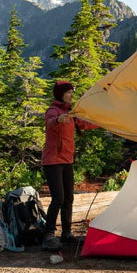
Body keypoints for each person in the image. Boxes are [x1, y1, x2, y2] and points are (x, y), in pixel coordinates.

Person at [41, 81, 97, 251]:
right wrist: (58, 119)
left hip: (67, 161)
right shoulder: (54, 110)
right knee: (58, 198)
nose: (72, 95)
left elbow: (85, 124)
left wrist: (104, 122)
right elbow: (50, 122)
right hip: (52, 161)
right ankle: (49, 235)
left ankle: (67, 233)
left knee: (69, 198)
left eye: (73, 93)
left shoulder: (70, 112)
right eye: (69, 93)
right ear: (60, 94)